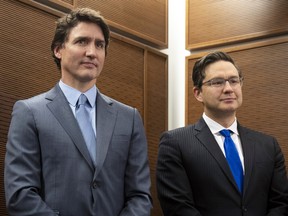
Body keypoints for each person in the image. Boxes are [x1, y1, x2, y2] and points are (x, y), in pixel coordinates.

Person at [4, 8, 152, 216]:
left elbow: (140, 196)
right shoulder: (29, 112)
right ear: (58, 50)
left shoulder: (129, 118)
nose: (92, 52)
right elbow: (20, 195)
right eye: (82, 41)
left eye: (99, 45)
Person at [156, 51, 288, 216]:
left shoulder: (268, 145)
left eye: (234, 81)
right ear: (198, 93)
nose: (228, 89)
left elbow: (281, 203)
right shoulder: (175, 143)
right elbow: (177, 207)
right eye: (217, 82)